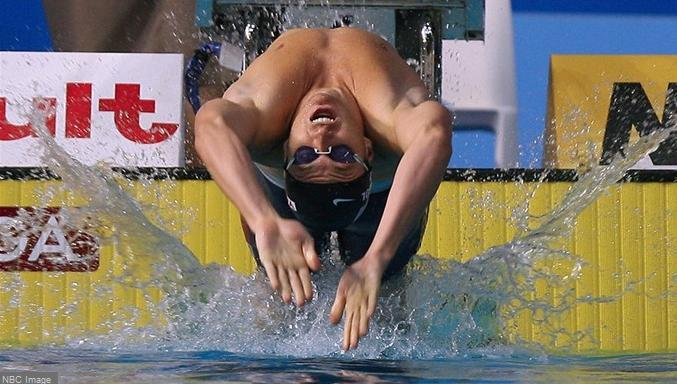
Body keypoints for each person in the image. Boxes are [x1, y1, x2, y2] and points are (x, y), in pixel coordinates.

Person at [195, 27, 452, 351]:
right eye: (342, 155)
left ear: (286, 150)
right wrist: (264, 220)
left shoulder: (266, 115)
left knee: (384, 296)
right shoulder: (384, 117)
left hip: (378, 192)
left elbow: (209, 122)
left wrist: (377, 257)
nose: (322, 138)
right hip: (314, 188)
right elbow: (435, 130)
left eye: (306, 157)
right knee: (284, 294)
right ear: (367, 152)